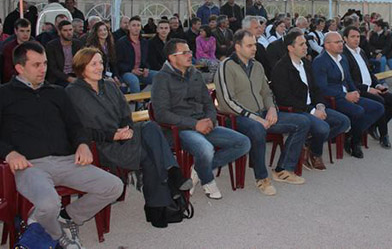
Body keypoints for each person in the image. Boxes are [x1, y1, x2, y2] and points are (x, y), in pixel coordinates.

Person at [0, 41, 123, 249]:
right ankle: (57, 235)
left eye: (45, 63)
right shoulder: (4, 95)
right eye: (36, 65)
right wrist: (9, 153)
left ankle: (65, 218)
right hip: (30, 166)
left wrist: (82, 144)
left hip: (67, 161)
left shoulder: (57, 92)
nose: (43, 69)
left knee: (114, 186)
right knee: (49, 204)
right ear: (20, 68)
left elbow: (76, 126)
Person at [65, 48, 192, 228]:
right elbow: (78, 130)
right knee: (149, 154)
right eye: (93, 64)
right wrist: (112, 135)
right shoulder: (72, 93)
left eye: (101, 63)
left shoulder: (109, 86)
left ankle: (166, 188)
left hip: (124, 138)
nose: (99, 67)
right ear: (81, 66)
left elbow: (126, 113)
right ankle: (166, 189)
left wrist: (127, 129)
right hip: (101, 146)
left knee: (150, 128)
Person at [150, 39, 250, 200]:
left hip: (204, 124)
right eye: (185, 53)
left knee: (243, 143)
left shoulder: (195, 74)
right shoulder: (161, 78)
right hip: (180, 129)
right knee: (205, 149)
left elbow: (208, 103)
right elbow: (161, 114)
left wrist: (210, 120)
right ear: (172, 57)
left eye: (190, 51)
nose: (190, 55)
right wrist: (195, 124)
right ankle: (208, 180)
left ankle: (199, 168)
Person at [215, 30, 310, 195]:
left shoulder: (257, 66)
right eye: (249, 45)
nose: (254, 48)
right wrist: (255, 118)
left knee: (302, 122)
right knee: (257, 129)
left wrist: (272, 109)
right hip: (237, 118)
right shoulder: (226, 66)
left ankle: (283, 170)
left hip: (262, 113)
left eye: (255, 44)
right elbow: (227, 100)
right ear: (237, 47)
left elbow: (267, 92)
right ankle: (262, 178)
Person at [271, 30, 350, 170]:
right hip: (296, 110)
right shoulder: (281, 68)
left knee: (343, 121)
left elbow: (316, 89)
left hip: (312, 106)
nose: (306, 47)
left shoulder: (306, 64)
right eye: (301, 44)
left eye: (306, 44)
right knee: (323, 128)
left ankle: (310, 145)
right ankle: (316, 153)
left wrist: (320, 105)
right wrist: (312, 111)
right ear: (290, 48)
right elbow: (284, 98)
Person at [312, 32, 384, 158]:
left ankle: (350, 135)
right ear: (327, 45)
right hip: (332, 98)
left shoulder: (342, 58)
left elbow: (348, 79)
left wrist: (355, 91)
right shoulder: (320, 61)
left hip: (346, 94)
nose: (341, 44)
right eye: (337, 42)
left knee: (378, 108)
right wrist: (344, 96)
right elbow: (322, 88)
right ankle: (355, 142)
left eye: (341, 41)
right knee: (358, 111)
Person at [343, 26, 392, 148]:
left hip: (372, 87)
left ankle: (373, 124)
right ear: (345, 39)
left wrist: (378, 85)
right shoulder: (343, 55)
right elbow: (349, 81)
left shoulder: (361, 51)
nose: (356, 39)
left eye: (358, 36)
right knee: (380, 101)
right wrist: (368, 89)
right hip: (358, 90)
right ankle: (384, 135)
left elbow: (369, 73)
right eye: (352, 37)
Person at [116, 16, 157, 93]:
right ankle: (137, 101)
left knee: (160, 76)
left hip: (141, 71)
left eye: (138, 25)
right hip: (127, 72)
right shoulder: (121, 43)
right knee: (134, 81)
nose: (136, 28)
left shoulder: (144, 42)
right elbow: (118, 63)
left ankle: (156, 99)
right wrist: (131, 70)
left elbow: (148, 59)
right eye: (134, 25)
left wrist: (147, 68)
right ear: (129, 27)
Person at [46, 20, 84, 87]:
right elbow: (53, 68)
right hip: (59, 78)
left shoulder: (78, 44)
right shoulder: (51, 46)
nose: (69, 33)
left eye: (70, 30)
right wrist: (69, 78)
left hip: (76, 75)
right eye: (65, 30)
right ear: (59, 32)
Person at [86, 21, 120, 85]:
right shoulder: (91, 48)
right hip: (97, 75)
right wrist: (105, 78)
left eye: (105, 30)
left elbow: (113, 63)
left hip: (109, 74)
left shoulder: (110, 45)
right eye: (100, 30)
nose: (103, 32)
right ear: (96, 33)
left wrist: (115, 76)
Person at [2, 18, 32, 83]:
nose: (25, 34)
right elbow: (8, 71)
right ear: (16, 31)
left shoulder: (35, 46)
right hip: (14, 81)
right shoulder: (9, 48)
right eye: (22, 31)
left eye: (28, 31)